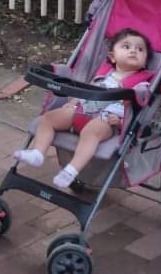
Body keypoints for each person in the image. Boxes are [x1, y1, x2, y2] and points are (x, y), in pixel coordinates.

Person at [13, 28, 153, 190]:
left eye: (140, 49)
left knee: (91, 132)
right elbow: (87, 90)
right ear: (112, 56)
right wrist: (72, 102)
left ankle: (71, 170)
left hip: (106, 120)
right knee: (49, 118)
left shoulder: (141, 84)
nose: (133, 51)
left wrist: (121, 121)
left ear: (145, 61)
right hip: (81, 111)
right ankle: (38, 153)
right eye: (126, 47)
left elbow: (138, 108)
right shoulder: (103, 74)